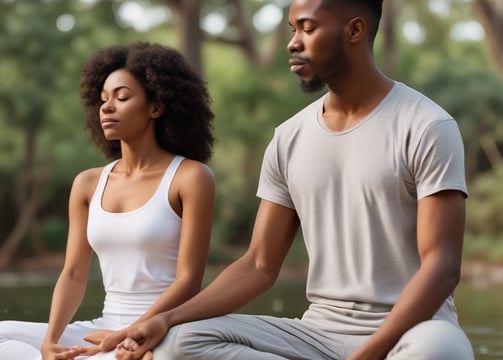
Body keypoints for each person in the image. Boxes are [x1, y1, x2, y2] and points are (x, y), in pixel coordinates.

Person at [89, 0, 475, 359]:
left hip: (412, 332)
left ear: (354, 30)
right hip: (318, 336)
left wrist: (371, 352)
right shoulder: (290, 138)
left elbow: (442, 265)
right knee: (180, 341)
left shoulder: (426, 126)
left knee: (439, 349)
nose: (292, 44)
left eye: (307, 29)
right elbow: (258, 264)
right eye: (292, 29)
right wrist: (164, 319)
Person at [0, 41, 215, 360]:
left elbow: (189, 279)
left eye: (122, 97)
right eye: (103, 99)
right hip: (105, 324)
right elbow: (73, 273)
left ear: (156, 107)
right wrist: (50, 341)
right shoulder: (88, 183)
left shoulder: (190, 177)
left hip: (163, 329)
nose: (107, 107)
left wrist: (129, 334)